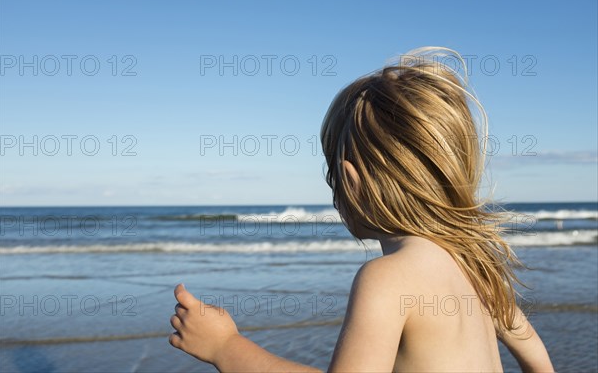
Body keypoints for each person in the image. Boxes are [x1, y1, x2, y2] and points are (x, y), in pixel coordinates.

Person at [168, 47, 555, 372]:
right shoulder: (476, 265)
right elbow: (539, 361)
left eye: (332, 174)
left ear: (351, 180)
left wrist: (226, 348)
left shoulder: (386, 279)